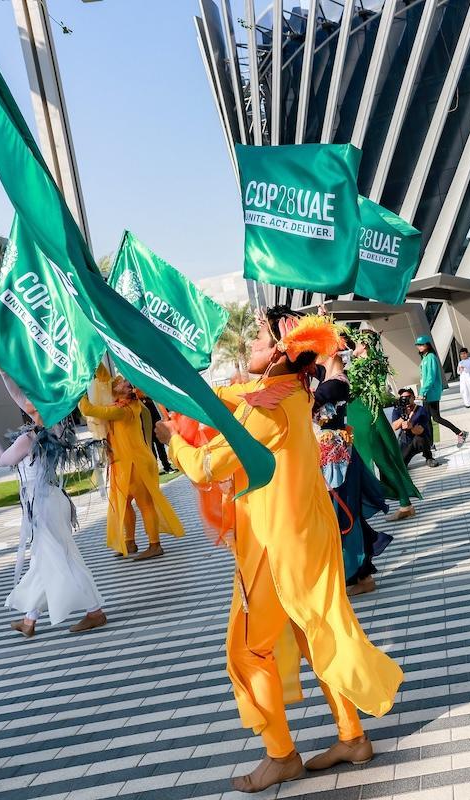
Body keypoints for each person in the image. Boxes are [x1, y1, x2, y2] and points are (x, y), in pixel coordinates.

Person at [158, 308, 402, 793]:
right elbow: (228, 395)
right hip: (305, 535)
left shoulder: (268, 409)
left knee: (247, 650)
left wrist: (174, 444)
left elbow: (209, 467)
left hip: (274, 546)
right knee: (315, 638)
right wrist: (176, 387)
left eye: (259, 338)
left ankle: (281, 755)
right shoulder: (288, 393)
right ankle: (352, 738)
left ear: (280, 355)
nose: (249, 343)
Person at [0, 372, 107, 637]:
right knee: (43, 559)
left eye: (32, 402)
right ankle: (29, 620)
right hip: (50, 500)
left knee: (61, 558)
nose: (26, 402)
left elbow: (3, 460)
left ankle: (95, 611)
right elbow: (19, 396)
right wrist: (4, 371)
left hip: (43, 505)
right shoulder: (57, 428)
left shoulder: (29, 438)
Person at [78, 369, 184, 559]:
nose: (123, 382)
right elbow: (104, 377)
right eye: (121, 381)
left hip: (137, 464)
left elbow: (87, 410)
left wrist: (76, 391)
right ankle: (130, 542)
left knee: (145, 504)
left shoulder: (124, 409)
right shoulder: (119, 404)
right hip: (124, 464)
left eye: (125, 382)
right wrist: (92, 361)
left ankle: (154, 545)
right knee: (124, 504)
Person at [313, 351, 391, 598]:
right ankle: (362, 574)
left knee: (344, 515)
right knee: (343, 514)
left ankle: (358, 574)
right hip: (331, 458)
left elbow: (308, 401)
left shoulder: (336, 384)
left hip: (337, 462)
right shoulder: (327, 377)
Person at [345, 330, 422, 522]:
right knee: (380, 462)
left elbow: (354, 387)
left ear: (364, 345)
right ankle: (401, 502)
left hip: (367, 420)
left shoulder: (369, 365)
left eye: (357, 342)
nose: (353, 345)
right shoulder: (362, 364)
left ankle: (404, 503)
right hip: (364, 419)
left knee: (383, 463)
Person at [415, 335, 467, 446]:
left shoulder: (431, 357)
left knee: (436, 418)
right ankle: (430, 443)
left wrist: (422, 392)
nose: (419, 347)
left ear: (427, 345)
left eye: (421, 344)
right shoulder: (425, 358)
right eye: (418, 345)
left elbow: (431, 377)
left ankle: (460, 433)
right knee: (427, 419)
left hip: (431, 392)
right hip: (428, 392)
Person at [391, 388, 440, 468]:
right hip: (406, 441)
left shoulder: (421, 410)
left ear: (413, 397)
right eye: (402, 398)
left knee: (420, 438)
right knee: (401, 466)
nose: (405, 399)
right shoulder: (398, 410)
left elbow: (420, 430)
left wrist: (411, 426)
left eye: (407, 397)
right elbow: (394, 427)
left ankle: (429, 457)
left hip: (419, 440)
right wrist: (402, 418)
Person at [137, 390, 175, 473]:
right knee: (151, 449)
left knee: (160, 447)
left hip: (155, 423)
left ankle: (166, 466)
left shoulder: (149, 395)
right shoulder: (137, 401)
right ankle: (155, 469)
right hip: (145, 427)